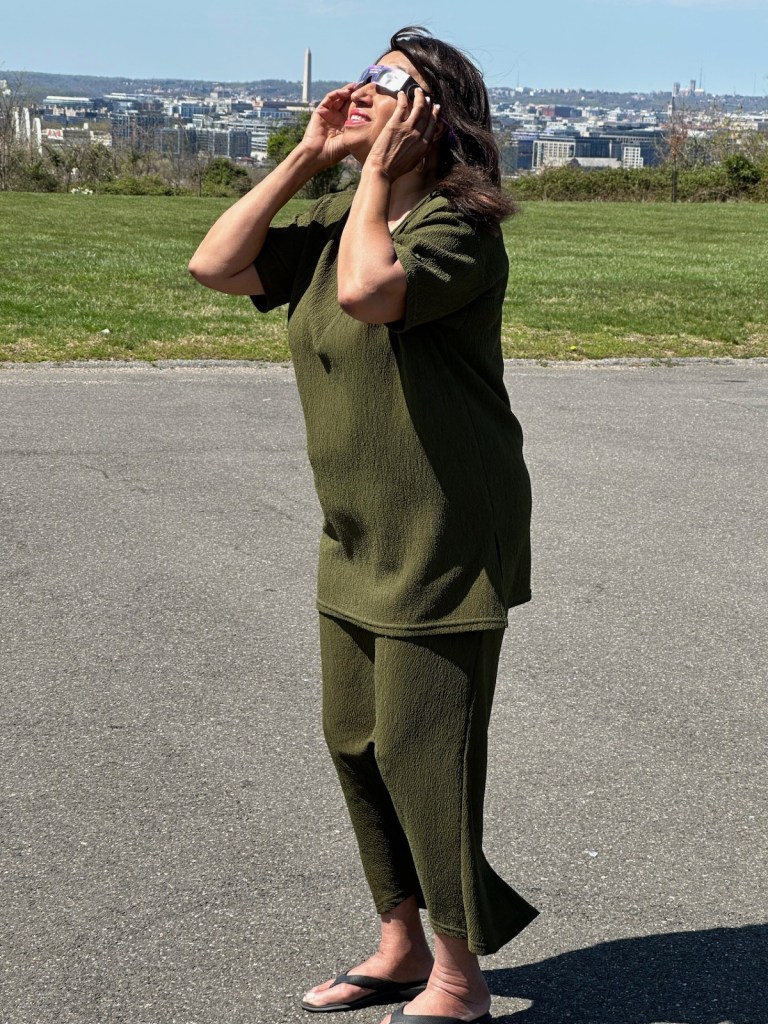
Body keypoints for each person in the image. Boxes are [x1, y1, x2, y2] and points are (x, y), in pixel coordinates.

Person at [189, 26, 539, 1024]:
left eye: (392, 85)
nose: (365, 92)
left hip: (442, 536)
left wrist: (378, 174)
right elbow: (216, 264)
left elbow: (366, 290)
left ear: (435, 119)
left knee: (425, 754)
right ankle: (398, 944)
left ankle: (460, 978)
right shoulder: (352, 212)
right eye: (369, 75)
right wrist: (307, 156)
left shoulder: (458, 229)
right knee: (355, 739)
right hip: (355, 535)